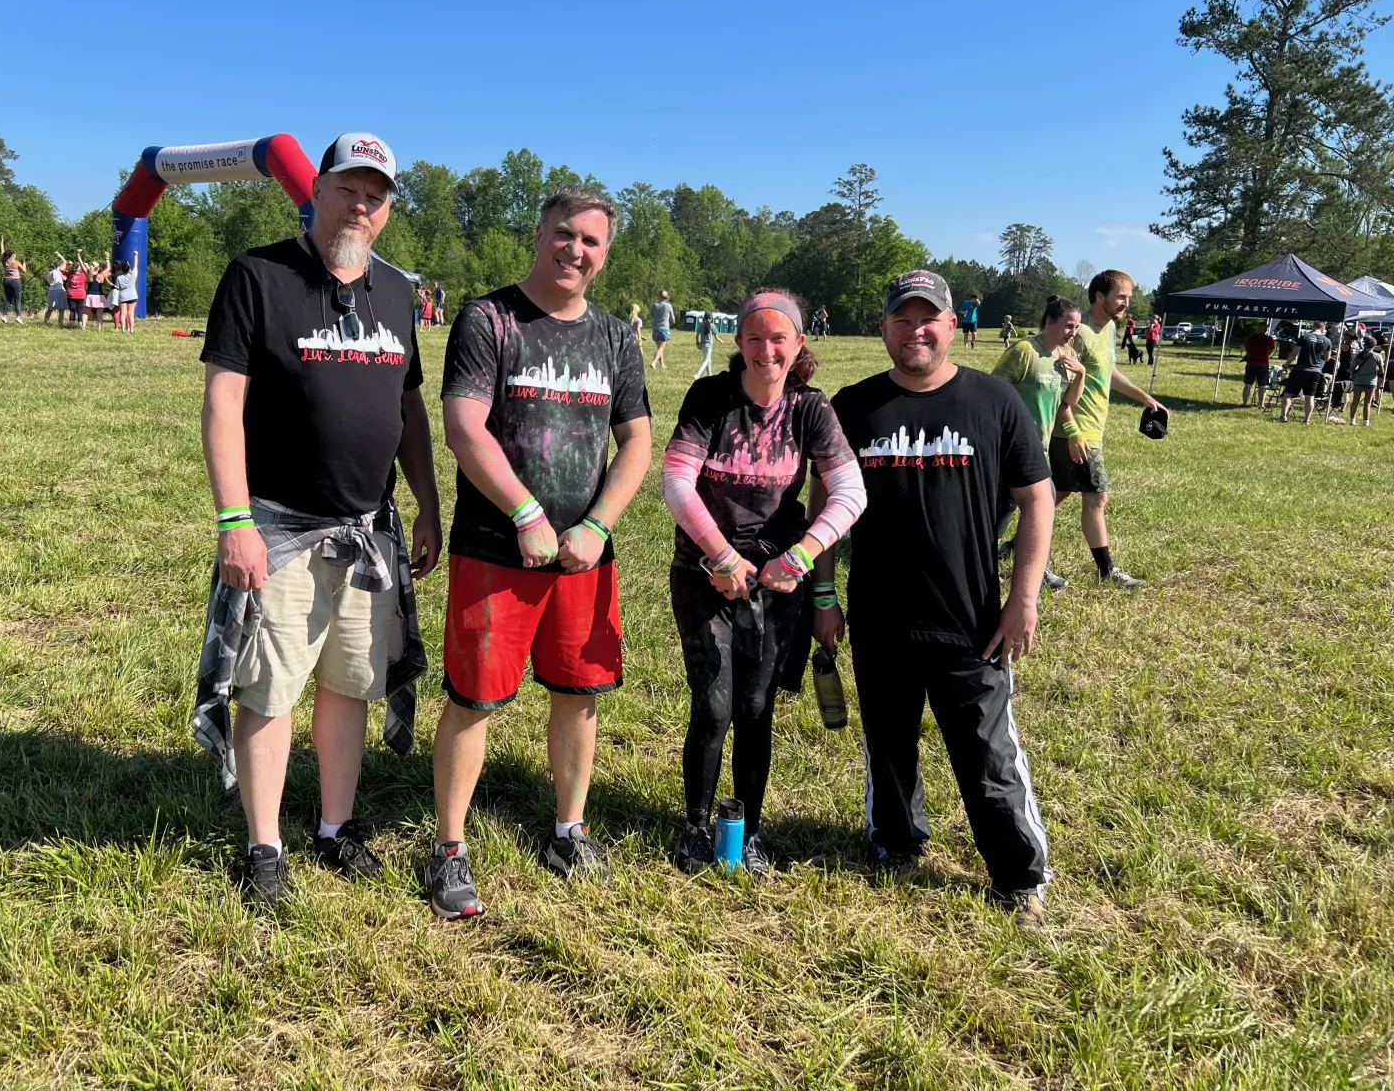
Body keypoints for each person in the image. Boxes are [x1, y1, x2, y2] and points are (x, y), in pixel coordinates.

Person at [193, 132, 442, 905]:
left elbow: (409, 410)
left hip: (367, 528)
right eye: (347, 189)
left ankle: (335, 827)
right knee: (269, 688)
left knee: (349, 685)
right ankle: (264, 846)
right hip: (279, 527)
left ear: (388, 209)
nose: (359, 206)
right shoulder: (259, 276)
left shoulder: (397, 293)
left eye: (375, 196)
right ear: (319, 190)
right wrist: (235, 520)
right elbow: (222, 402)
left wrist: (429, 504)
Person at [431, 185, 652, 921]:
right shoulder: (490, 318)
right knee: (473, 701)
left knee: (579, 694)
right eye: (564, 234)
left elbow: (638, 443)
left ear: (605, 253)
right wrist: (524, 509)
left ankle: (568, 830)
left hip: (585, 558)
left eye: (590, 240)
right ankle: (450, 849)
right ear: (538, 233)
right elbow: (463, 425)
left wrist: (596, 525)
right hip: (497, 548)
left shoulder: (617, 338)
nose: (575, 250)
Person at [812, 269, 1056, 929]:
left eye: (929, 318)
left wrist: (1024, 597)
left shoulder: (995, 402)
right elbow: (825, 505)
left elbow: (1038, 498)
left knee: (987, 753)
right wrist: (823, 592)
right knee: (887, 744)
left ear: (953, 325)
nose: (914, 329)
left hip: (974, 622)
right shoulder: (853, 408)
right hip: (880, 618)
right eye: (901, 318)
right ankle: (896, 842)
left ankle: (1019, 874)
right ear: (885, 328)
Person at [662, 291, 865, 876]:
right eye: (755, 336)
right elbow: (677, 482)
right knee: (714, 703)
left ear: (799, 344)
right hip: (704, 570)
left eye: (780, 338)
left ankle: (748, 832)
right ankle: (697, 826)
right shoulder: (711, 398)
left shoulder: (811, 409)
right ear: (739, 342)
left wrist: (798, 558)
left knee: (756, 707)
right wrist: (722, 557)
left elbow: (851, 494)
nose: (766, 349)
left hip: (776, 582)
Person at [1050, 270, 1165, 588]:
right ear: (1099, 297)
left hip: (1089, 429)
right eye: (1121, 297)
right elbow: (1058, 387)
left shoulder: (1109, 328)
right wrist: (1073, 431)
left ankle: (1015, 546)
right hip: (1076, 431)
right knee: (1097, 497)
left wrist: (1144, 397)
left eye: (1128, 297)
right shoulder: (1079, 332)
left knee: (1054, 495)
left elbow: (1107, 371)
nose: (1127, 303)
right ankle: (1107, 571)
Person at [990, 295, 1087, 590]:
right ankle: (980, 563)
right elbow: (993, 393)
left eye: (1077, 327)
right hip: (1010, 446)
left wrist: (1080, 372)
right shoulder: (1025, 351)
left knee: (1038, 508)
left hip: (1038, 447)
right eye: (1069, 325)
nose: (1073, 332)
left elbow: (1066, 402)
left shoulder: (1065, 356)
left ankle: (1031, 566)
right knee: (1003, 510)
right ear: (1049, 322)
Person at [1278, 320, 1332, 424]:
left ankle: (1283, 416)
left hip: (1300, 370)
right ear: (1323, 328)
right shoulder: (1327, 341)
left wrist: (1286, 365)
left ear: (1313, 326)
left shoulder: (1305, 337)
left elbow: (1294, 353)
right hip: (1315, 371)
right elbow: (1327, 358)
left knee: (1288, 394)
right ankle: (1307, 420)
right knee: (1310, 397)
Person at [1346, 339, 1384, 427]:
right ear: (1374, 345)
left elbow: (1352, 369)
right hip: (1371, 380)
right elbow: (1382, 371)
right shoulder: (1377, 356)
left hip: (1359, 380)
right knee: (1367, 402)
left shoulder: (1359, 355)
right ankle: (1365, 422)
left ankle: (1352, 421)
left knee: (1355, 400)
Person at [1240, 327, 1276, 407]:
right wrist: (1266, 354)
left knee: (1247, 385)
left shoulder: (1250, 338)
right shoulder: (1269, 339)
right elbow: (1271, 350)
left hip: (1251, 364)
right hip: (1263, 365)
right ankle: (1261, 404)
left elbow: (1246, 348)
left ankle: (1244, 403)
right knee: (1262, 386)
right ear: (1265, 330)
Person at [0, 237, 26, 323]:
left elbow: (2, 252)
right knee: (17, 299)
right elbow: (24, 271)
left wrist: (1, 242)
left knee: (8, 299)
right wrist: (24, 263)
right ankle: (18, 316)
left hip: (6, 280)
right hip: (15, 281)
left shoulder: (4, 261)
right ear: (12, 255)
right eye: (14, 254)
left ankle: (4, 316)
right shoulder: (16, 262)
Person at [112, 251, 139, 333]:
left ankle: (123, 329)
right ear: (129, 269)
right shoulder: (133, 275)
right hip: (132, 296)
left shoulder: (119, 278)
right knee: (131, 314)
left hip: (123, 297)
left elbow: (117, 287)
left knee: (123, 314)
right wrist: (136, 256)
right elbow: (136, 265)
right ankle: (131, 330)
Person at [650, 290, 676, 369]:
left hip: (655, 329)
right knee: (661, 347)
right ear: (666, 297)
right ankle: (654, 362)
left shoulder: (654, 305)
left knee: (659, 348)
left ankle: (662, 364)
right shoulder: (668, 306)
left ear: (659, 296)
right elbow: (672, 318)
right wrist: (672, 322)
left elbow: (651, 316)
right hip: (664, 328)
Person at [84, 256, 109, 330]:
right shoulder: (101, 275)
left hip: (90, 295)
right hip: (99, 296)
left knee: (85, 312)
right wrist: (107, 258)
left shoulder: (89, 276)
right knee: (100, 314)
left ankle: (83, 327)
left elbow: (83, 266)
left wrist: (78, 256)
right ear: (98, 268)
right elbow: (108, 268)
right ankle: (99, 329)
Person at [64, 252, 88, 326]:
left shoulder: (69, 273)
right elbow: (87, 271)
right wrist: (84, 264)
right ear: (80, 268)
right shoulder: (83, 274)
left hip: (71, 294)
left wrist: (68, 264)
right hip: (81, 294)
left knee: (72, 310)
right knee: (80, 309)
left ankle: (72, 324)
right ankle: (80, 324)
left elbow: (61, 268)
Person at [692, 310, 716, 380]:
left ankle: (709, 374)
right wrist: (721, 340)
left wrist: (697, 342)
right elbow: (716, 336)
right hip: (709, 345)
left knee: (708, 359)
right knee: (706, 360)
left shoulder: (701, 325)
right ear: (711, 318)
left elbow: (697, 335)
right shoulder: (712, 326)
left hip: (702, 345)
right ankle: (697, 375)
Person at [43, 257, 68, 326]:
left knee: (50, 308)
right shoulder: (56, 271)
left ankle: (45, 322)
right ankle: (60, 324)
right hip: (60, 290)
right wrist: (59, 255)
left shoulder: (48, 274)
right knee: (61, 309)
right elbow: (64, 262)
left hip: (52, 291)